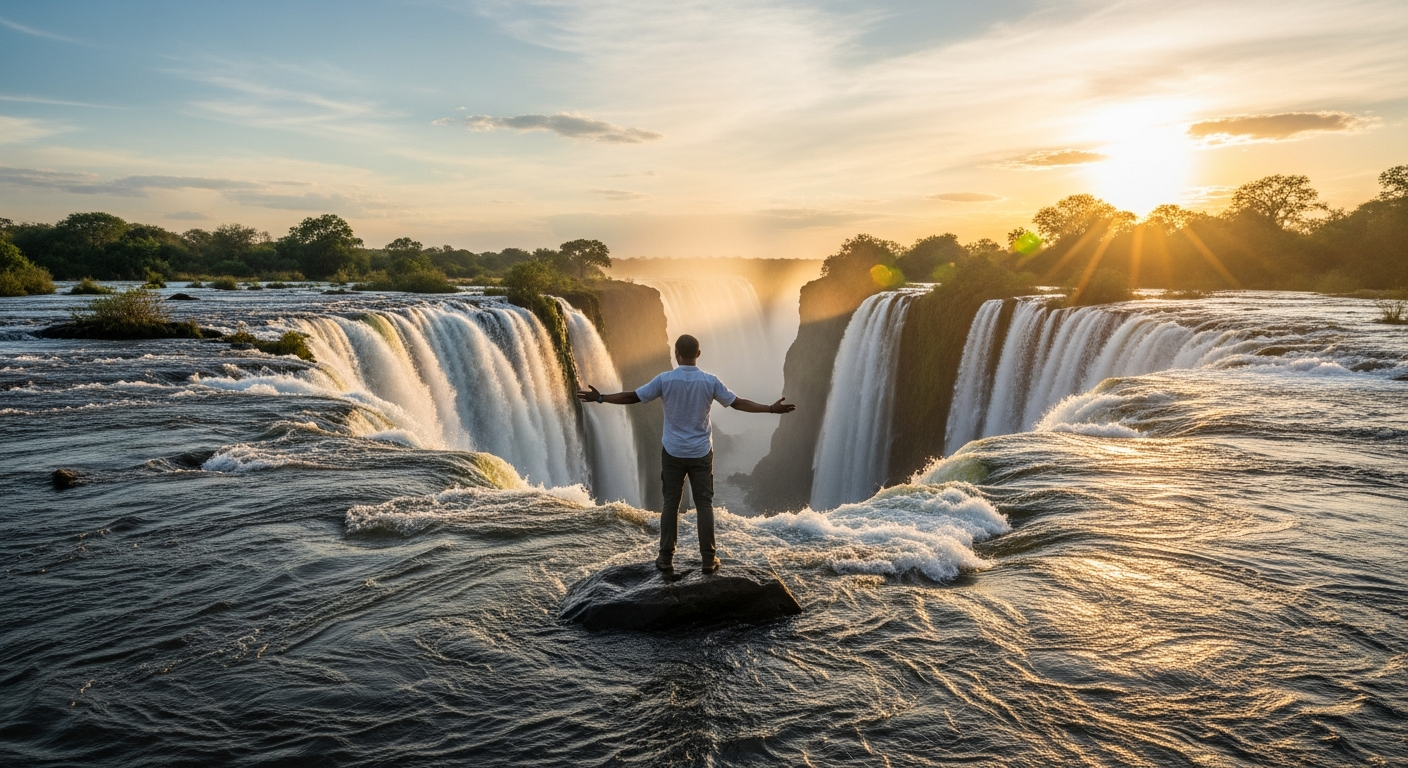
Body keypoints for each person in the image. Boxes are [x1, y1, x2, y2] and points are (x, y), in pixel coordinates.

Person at [577, 333, 795, 573]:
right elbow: (737, 403)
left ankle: (665, 557)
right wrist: (770, 409)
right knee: (704, 504)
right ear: (698, 354)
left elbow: (633, 397)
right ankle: (708, 559)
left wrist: (600, 397)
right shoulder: (710, 381)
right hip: (701, 452)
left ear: (676, 354)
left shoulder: (665, 380)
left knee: (670, 503)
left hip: (673, 452)